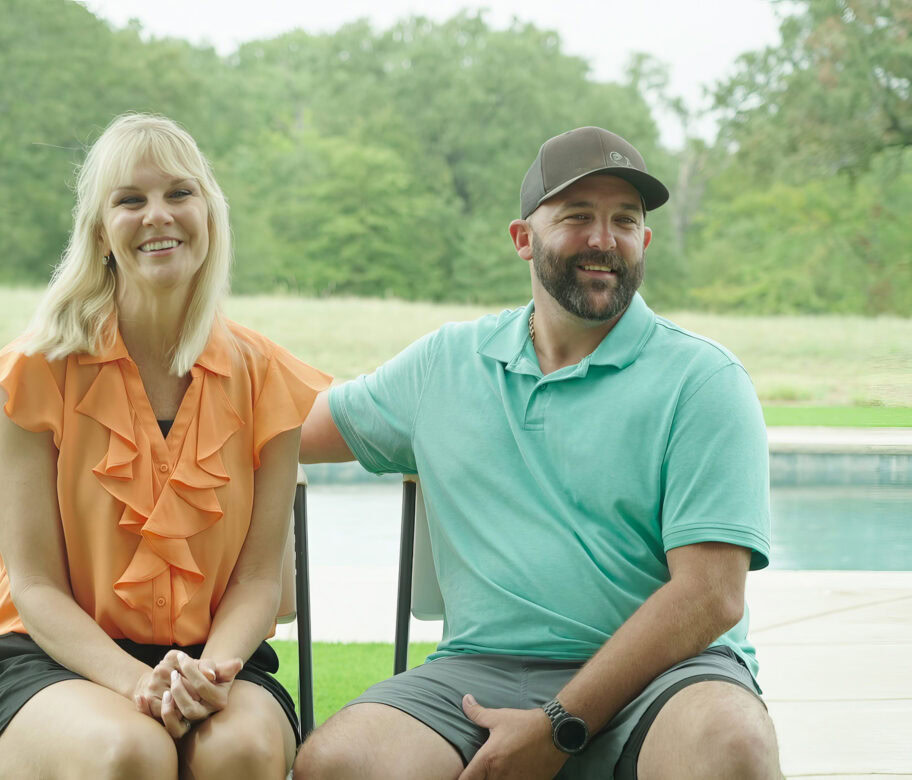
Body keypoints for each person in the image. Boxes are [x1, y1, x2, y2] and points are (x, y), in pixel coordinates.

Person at [295, 126, 783, 779]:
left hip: (669, 681)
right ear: (523, 239)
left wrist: (560, 723)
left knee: (732, 747)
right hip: (480, 673)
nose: (603, 239)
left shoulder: (704, 381)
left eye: (625, 221)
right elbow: (291, 423)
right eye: (577, 216)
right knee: (339, 762)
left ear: (645, 240)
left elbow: (710, 597)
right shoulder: (446, 363)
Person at [0, 113, 330, 780]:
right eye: (130, 199)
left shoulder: (269, 377)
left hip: (218, 658)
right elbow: (35, 589)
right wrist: (134, 682)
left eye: (180, 193)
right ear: (99, 230)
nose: (159, 215)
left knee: (241, 750)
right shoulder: (34, 371)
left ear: (210, 214)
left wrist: (211, 671)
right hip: (46, 662)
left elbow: (261, 582)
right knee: (131, 751)